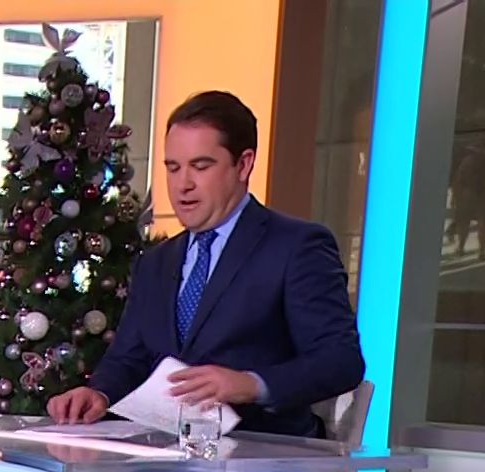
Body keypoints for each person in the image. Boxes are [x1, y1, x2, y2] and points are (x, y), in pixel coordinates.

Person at [47, 92, 363, 438]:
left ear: (243, 165)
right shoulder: (155, 262)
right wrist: (98, 394)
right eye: (173, 168)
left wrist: (250, 384)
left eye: (200, 166)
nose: (183, 184)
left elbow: (340, 361)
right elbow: (128, 359)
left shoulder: (296, 246)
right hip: (164, 452)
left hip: (261, 455)